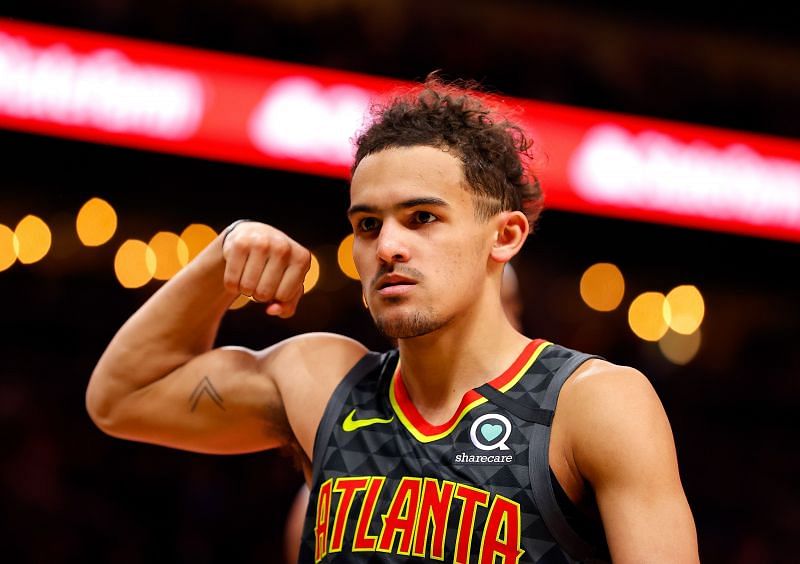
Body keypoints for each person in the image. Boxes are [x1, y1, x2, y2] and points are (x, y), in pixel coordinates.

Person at [86, 77, 699, 563]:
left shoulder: (591, 402)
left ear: (505, 236)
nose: (387, 248)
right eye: (367, 225)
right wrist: (219, 261)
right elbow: (120, 398)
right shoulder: (320, 380)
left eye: (423, 218)